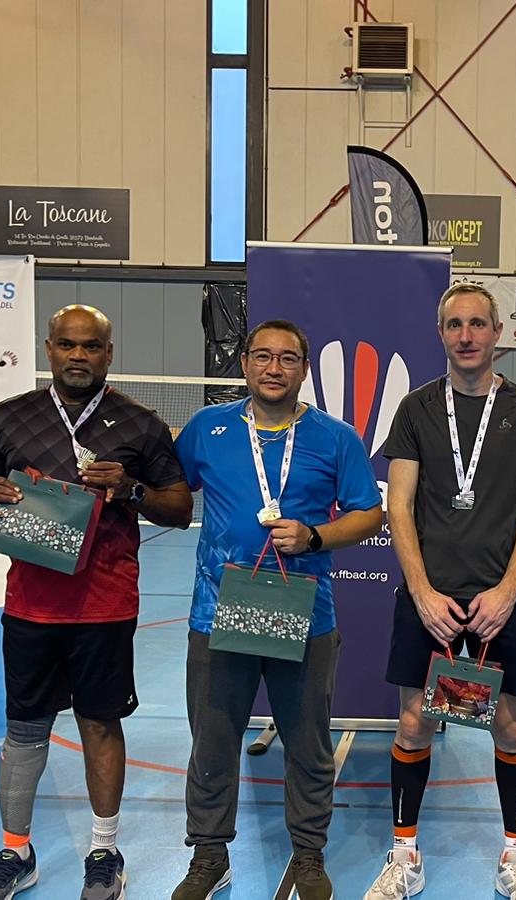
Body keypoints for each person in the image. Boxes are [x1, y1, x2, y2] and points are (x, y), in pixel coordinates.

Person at [0, 305, 192, 900]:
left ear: (108, 354)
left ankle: (104, 850)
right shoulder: (11, 417)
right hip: (30, 604)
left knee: (100, 723)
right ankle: (16, 852)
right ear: (49, 349)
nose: (78, 356)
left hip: (105, 605)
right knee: (24, 728)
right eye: (67, 345)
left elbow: (179, 507)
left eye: (91, 346)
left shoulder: (140, 424)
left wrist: (131, 489)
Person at [170, 319, 385, 900]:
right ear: (244, 363)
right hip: (217, 613)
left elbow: (370, 514)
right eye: (262, 356)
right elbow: (170, 490)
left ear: (303, 370)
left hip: (305, 616)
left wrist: (315, 536)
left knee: (308, 746)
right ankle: (209, 856)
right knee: (212, 744)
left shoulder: (336, 437)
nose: (273, 367)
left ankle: (309, 854)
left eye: (288, 358)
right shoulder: (208, 427)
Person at [363, 283, 516, 900]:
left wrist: (508, 591)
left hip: (503, 602)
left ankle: (515, 857)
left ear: (498, 332)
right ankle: (404, 854)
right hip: (432, 601)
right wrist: (422, 591)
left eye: (478, 323)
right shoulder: (416, 409)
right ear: (441, 334)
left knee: (511, 728)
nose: (467, 335)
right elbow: (398, 504)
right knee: (414, 722)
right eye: (455, 325)